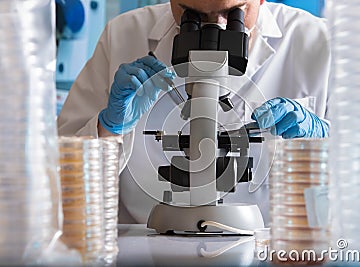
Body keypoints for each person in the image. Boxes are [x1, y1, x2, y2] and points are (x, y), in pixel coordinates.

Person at [58, 0, 331, 224]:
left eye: (233, 13)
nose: (216, 27)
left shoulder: (316, 40)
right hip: (144, 247)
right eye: (192, 15)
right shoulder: (123, 35)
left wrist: (327, 143)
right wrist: (107, 129)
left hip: (274, 250)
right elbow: (59, 183)